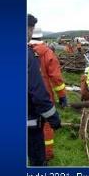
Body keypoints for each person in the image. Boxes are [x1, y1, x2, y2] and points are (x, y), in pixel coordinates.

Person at [27, 14, 61, 166]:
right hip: (36, 107)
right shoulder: (44, 53)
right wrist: (62, 97)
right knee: (42, 135)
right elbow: (55, 78)